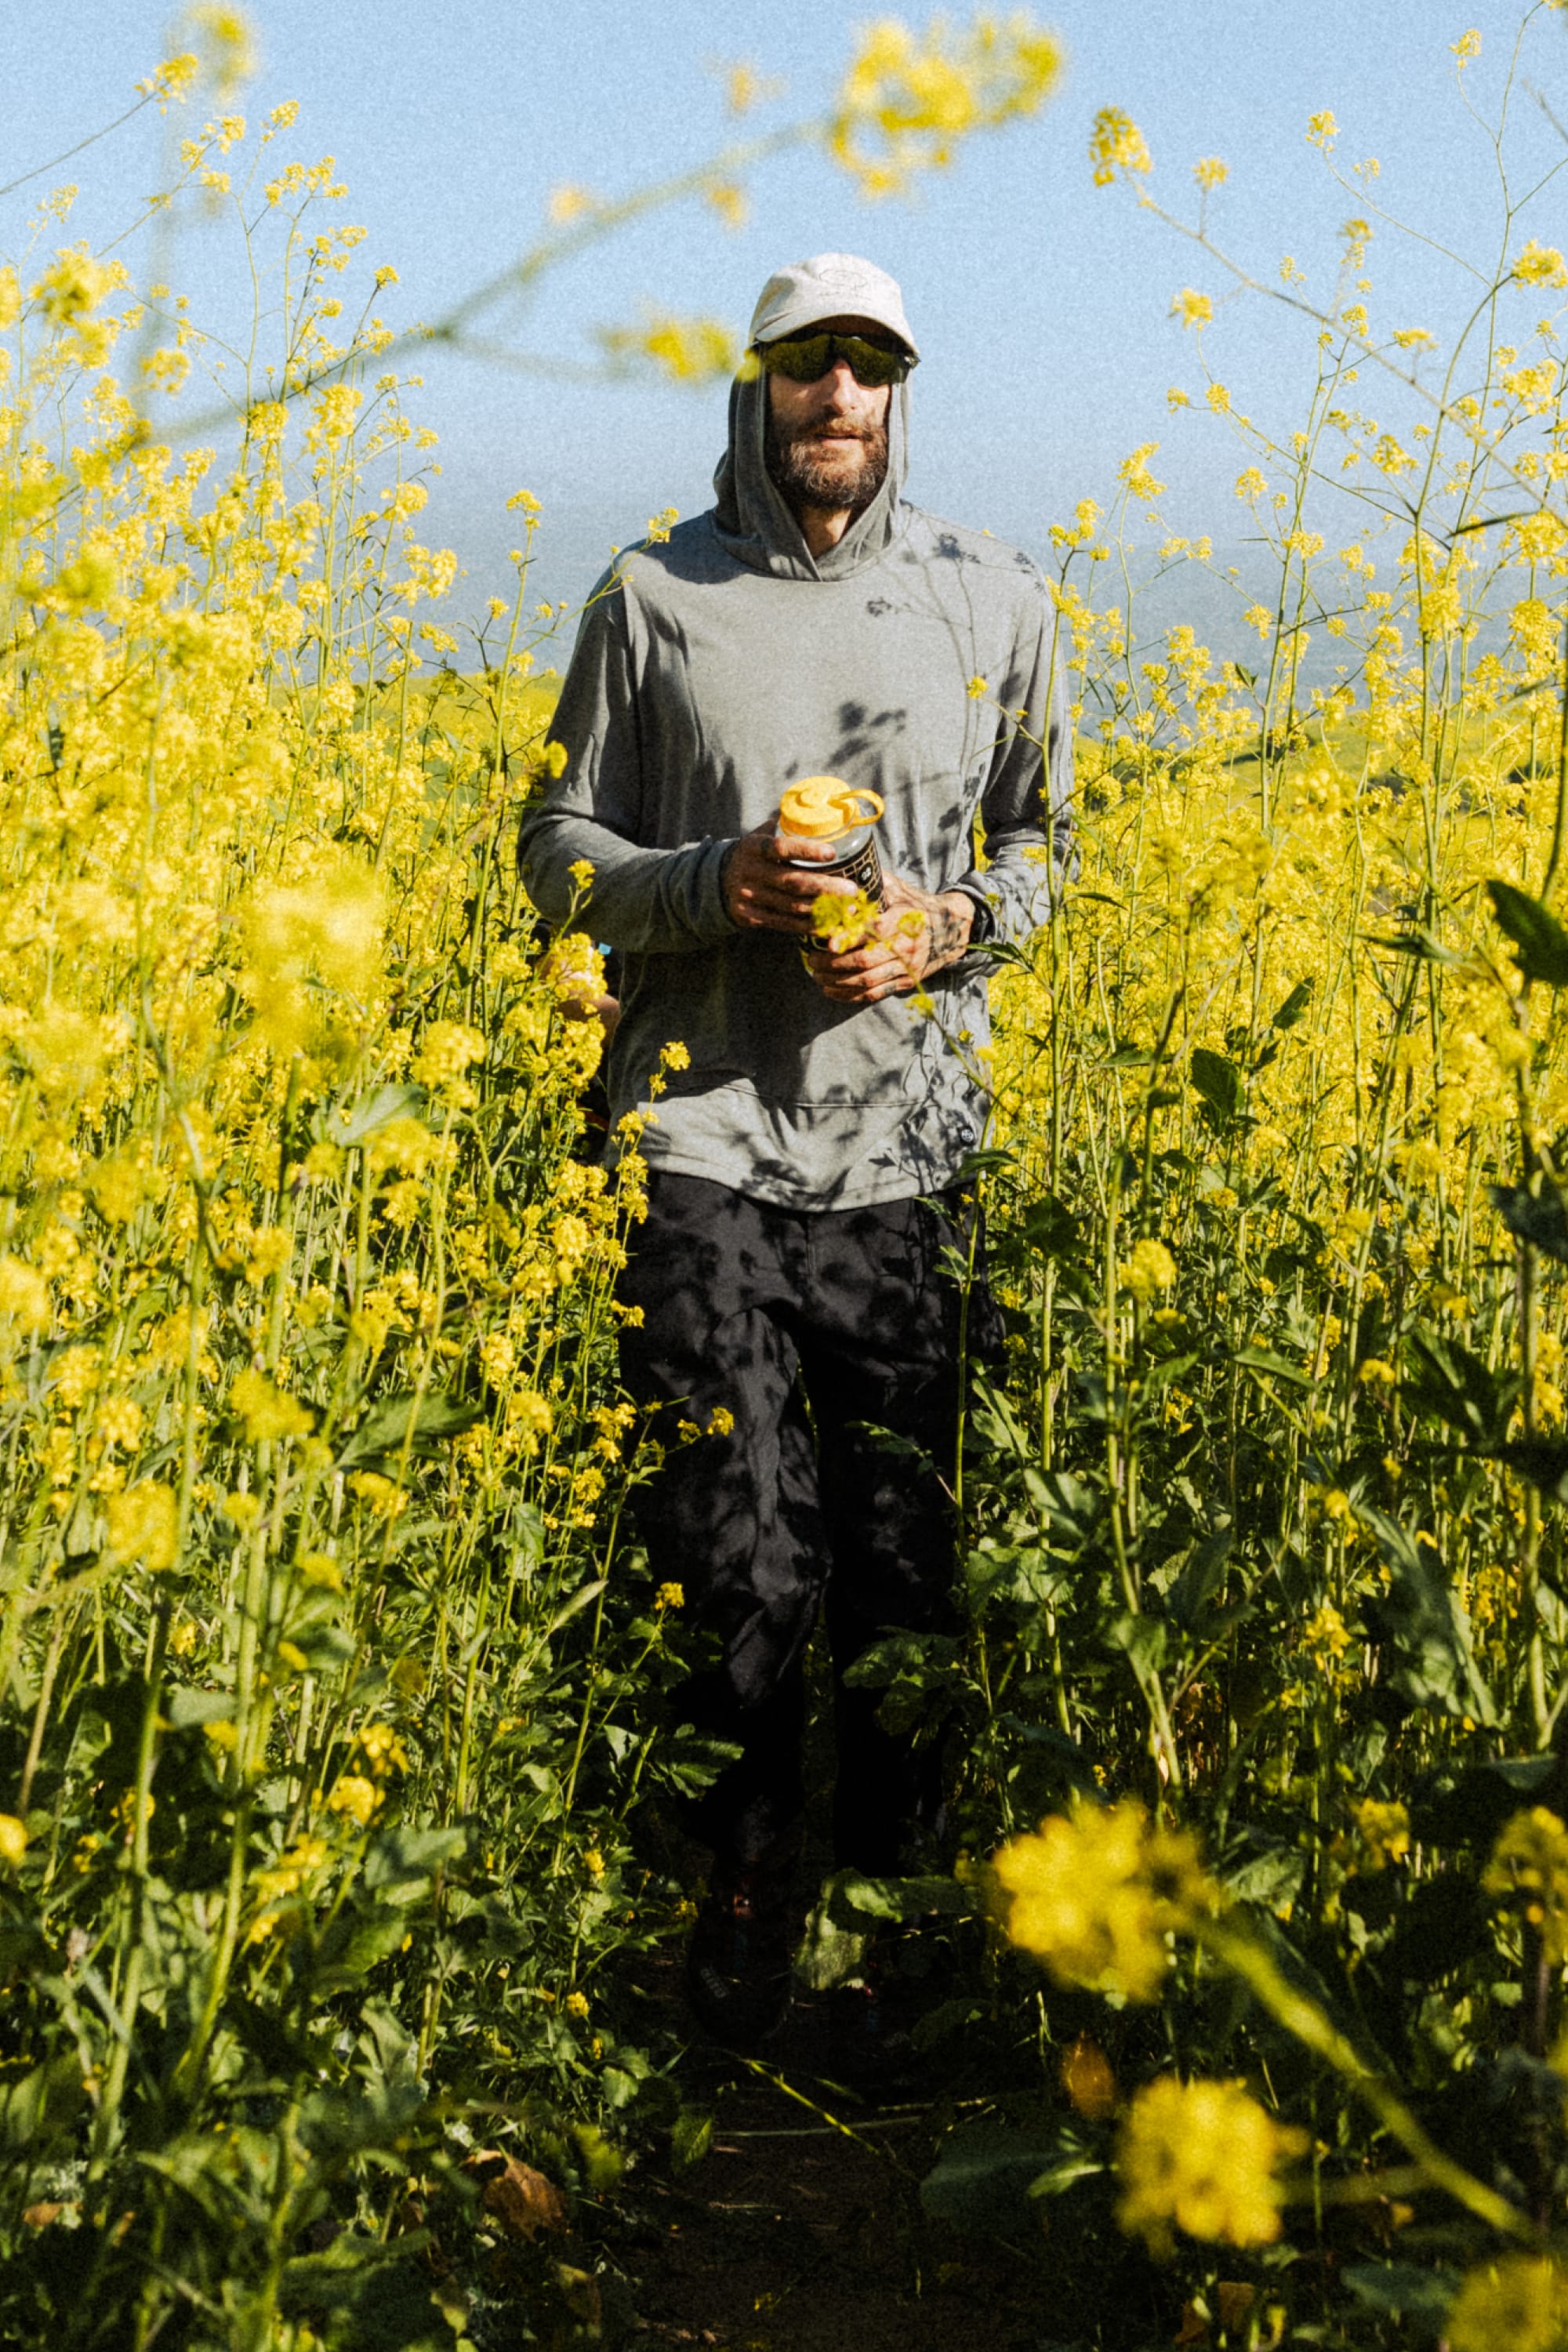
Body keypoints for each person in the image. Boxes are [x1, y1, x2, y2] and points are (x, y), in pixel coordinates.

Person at [518, 251, 1073, 2050]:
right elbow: (556, 845)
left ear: (898, 393)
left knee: (905, 1569)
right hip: (694, 1141)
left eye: (870, 364)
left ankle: (900, 1942)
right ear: (755, 381)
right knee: (738, 1558)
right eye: (807, 359)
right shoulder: (650, 596)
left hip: (906, 1152)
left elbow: (1045, 849)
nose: (839, 391)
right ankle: (743, 1916)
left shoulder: (997, 600)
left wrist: (946, 928)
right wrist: (715, 883)